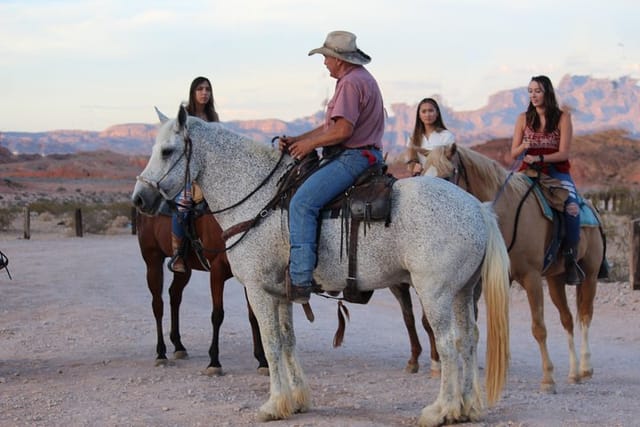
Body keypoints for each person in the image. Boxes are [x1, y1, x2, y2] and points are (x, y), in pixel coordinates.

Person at [277, 30, 385, 303]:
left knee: (302, 202)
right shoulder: (360, 79)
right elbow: (332, 126)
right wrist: (299, 139)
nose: (324, 62)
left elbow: (343, 131)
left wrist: (310, 146)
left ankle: (300, 278)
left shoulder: (350, 83)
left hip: (353, 157)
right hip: (364, 155)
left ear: (339, 59)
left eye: (326, 57)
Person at [511, 75, 584, 285]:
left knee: (571, 207)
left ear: (547, 93)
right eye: (530, 91)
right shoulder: (523, 119)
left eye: (538, 91)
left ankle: (571, 258)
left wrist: (540, 157)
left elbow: (564, 153)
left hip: (556, 171)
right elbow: (513, 154)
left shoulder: (562, 118)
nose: (533, 95)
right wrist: (524, 147)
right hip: (528, 171)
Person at [169, 76, 219, 273]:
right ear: (193, 92)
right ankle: (178, 254)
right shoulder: (185, 118)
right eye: (200, 89)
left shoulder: (212, 118)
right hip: (189, 175)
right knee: (183, 204)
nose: (204, 93)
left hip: (209, 174)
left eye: (207, 89)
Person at [404, 97, 455, 176]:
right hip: (420, 181)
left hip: (441, 181)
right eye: (424, 111)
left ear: (437, 113)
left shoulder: (447, 136)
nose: (427, 114)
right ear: (419, 115)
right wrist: (413, 167)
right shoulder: (412, 138)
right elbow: (410, 163)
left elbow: (450, 163)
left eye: (431, 111)